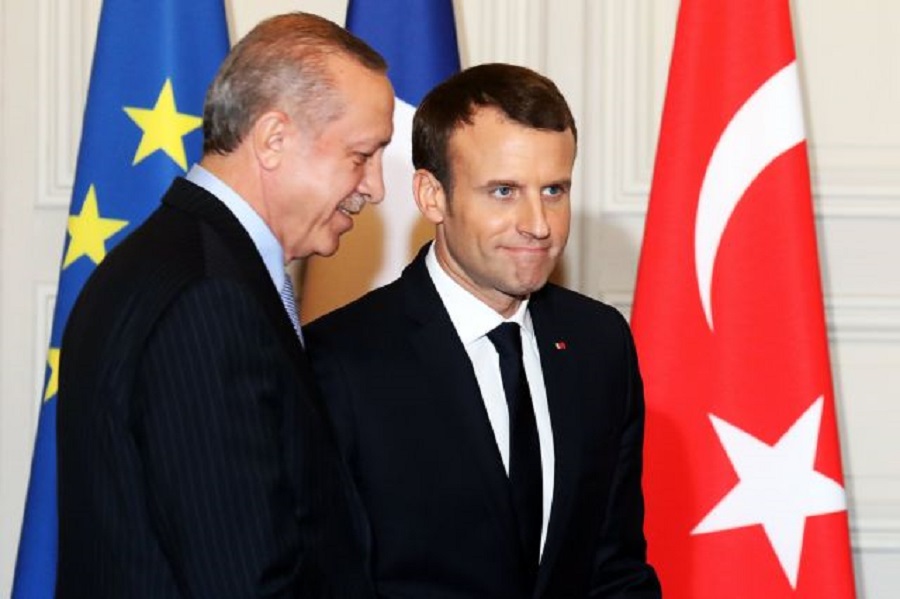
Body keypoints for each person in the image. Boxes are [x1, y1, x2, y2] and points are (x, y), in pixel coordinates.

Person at [56, 12, 393, 598]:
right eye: (362, 155)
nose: (375, 186)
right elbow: (243, 577)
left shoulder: (168, 259)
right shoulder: (208, 299)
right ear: (273, 139)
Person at [305, 63, 661, 598]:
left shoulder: (599, 343)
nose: (538, 223)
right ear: (431, 197)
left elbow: (614, 569)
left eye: (555, 190)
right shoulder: (340, 362)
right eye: (503, 191)